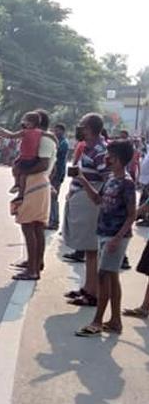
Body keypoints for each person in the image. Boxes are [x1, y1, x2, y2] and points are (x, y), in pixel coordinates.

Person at [75, 139, 136, 337]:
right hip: (104, 233)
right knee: (111, 277)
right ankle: (115, 321)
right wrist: (83, 180)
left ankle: (97, 321)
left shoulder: (126, 183)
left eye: (110, 156)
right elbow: (98, 200)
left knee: (103, 276)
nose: (107, 158)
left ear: (119, 159)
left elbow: (131, 214)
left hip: (115, 236)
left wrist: (117, 239)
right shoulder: (110, 179)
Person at [63, 113, 109, 305]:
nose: (79, 129)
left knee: (92, 249)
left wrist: (88, 189)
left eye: (82, 126)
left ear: (90, 128)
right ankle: (87, 287)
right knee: (89, 249)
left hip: (91, 203)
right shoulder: (89, 148)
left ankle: (93, 293)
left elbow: (107, 178)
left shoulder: (100, 150)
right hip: (83, 199)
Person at [11, 110, 57, 281]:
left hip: (35, 183)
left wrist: (22, 171)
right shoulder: (44, 138)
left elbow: (43, 164)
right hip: (37, 184)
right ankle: (35, 262)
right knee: (37, 227)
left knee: (29, 226)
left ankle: (33, 269)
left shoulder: (44, 140)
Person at [0, 111, 53, 202]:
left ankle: (20, 192)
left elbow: (12, 135)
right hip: (25, 157)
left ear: (33, 123)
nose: (24, 123)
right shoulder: (39, 132)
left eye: (27, 122)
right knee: (15, 168)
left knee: (21, 173)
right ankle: (17, 185)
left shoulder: (25, 132)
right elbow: (49, 135)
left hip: (28, 158)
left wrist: (4, 132)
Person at [47, 123, 69, 230]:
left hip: (58, 173)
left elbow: (56, 153)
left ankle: (54, 221)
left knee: (53, 197)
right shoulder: (57, 141)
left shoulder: (63, 143)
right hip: (52, 172)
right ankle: (50, 219)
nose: (55, 132)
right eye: (54, 130)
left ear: (62, 131)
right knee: (50, 198)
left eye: (57, 130)